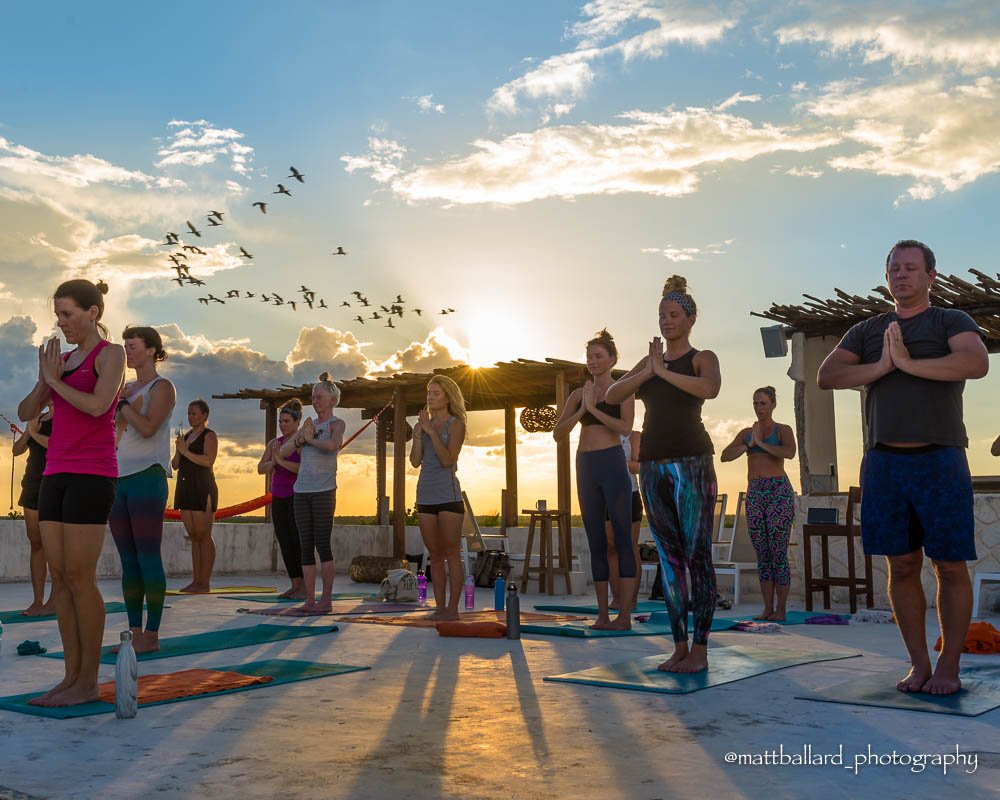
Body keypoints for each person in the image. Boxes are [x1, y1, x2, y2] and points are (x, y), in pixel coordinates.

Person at [818, 239, 989, 696]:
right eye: (894, 268)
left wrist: (910, 363)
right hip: (884, 462)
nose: (901, 275)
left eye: (911, 268)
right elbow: (828, 376)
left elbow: (975, 363)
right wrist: (882, 366)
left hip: (940, 458)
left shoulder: (950, 321)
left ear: (931, 276)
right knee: (902, 565)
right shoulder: (868, 330)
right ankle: (918, 665)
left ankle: (949, 666)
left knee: (950, 566)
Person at [17, 279, 125, 707]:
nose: (61, 323)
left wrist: (56, 383)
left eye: (68, 314)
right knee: (60, 579)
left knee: (81, 578)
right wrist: (47, 381)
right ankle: (69, 677)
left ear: (93, 313)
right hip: (55, 473)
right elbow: (27, 412)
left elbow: (99, 406)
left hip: (91, 475)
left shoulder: (110, 355)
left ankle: (88, 681)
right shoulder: (59, 362)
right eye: (58, 315)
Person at [606, 275, 721, 673]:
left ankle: (701, 649)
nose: (666, 321)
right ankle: (678, 645)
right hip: (652, 462)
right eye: (662, 315)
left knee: (697, 555)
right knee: (670, 560)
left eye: (674, 315)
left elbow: (709, 389)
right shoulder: (650, 361)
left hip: (692, 460)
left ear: (689, 319)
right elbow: (612, 395)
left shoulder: (703, 356)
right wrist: (648, 371)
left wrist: (663, 371)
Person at [553, 330, 636, 629]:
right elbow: (558, 433)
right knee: (596, 541)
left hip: (612, 463)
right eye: (589, 357)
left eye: (599, 356)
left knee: (623, 539)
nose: (593, 361)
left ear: (612, 359)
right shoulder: (578, 395)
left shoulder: (623, 390)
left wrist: (595, 411)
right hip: (586, 464)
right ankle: (602, 615)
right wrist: (582, 410)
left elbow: (625, 428)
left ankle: (624, 615)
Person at [108, 326, 176, 653]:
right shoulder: (127, 389)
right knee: (128, 560)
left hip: (147, 476)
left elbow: (148, 428)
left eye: (132, 345)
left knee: (148, 556)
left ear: (151, 350)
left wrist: (121, 406)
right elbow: (116, 431)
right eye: (125, 345)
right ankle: (134, 633)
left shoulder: (162, 387)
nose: (128, 351)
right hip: (118, 478)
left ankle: (152, 634)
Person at [720, 386, 797, 621]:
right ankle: (767, 608)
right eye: (755, 403)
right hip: (755, 493)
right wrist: (747, 445)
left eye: (763, 403)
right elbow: (724, 455)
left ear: (773, 404)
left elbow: (790, 452)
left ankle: (781, 609)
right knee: (762, 553)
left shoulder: (782, 430)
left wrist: (760, 444)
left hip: (778, 492)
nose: (759, 408)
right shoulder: (746, 433)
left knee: (778, 552)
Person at [279, 373, 345, 613]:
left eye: (319, 397)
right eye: (313, 397)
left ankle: (325, 601)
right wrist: (300, 440)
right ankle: (309, 600)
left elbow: (332, 445)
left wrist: (310, 440)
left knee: (322, 544)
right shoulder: (308, 425)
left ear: (332, 399)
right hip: (302, 491)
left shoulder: (336, 424)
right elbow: (284, 451)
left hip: (324, 491)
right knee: (305, 545)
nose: (315, 400)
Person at [410, 376, 468, 621]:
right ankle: (439, 607)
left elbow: (447, 460)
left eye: (435, 393)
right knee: (434, 555)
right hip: (425, 494)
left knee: (452, 552)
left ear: (447, 397)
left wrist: (432, 432)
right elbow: (415, 461)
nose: (430, 397)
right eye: (428, 393)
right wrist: (418, 435)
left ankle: (453, 609)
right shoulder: (423, 426)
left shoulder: (456, 424)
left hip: (448, 496)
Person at [258, 399, 305, 599]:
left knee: (297, 541)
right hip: (278, 496)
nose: (283, 425)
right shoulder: (274, 443)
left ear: (296, 422)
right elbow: (261, 468)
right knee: (284, 541)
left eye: (286, 421)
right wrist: (274, 461)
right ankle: (294, 584)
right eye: (280, 421)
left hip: (296, 495)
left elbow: (302, 469)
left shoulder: (300, 443)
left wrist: (280, 461)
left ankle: (303, 584)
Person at [11, 407, 55, 616]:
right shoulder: (37, 418)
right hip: (32, 483)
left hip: (55, 483)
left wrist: (36, 433)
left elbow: (59, 446)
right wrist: (30, 430)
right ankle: (38, 601)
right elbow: (16, 449)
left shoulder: (67, 415)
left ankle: (54, 601)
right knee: (36, 542)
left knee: (55, 547)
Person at [172, 399, 219, 593]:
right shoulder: (187, 436)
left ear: (205, 415)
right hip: (185, 487)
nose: (191, 417)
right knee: (193, 536)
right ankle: (196, 580)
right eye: (189, 413)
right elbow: (175, 465)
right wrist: (179, 450)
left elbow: (208, 460)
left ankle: (204, 582)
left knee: (203, 535)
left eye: (194, 413)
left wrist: (186, 452)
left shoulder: (209, 435)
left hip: (203, 487)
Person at [606, 430, 643, 612]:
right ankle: (618, 598)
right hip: (605, 495)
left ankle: (632, 600)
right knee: (610, 547)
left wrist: (616, 461)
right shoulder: (600, 433)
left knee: (630, 546)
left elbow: (639, 466)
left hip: (630, 494)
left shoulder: (633, 436)